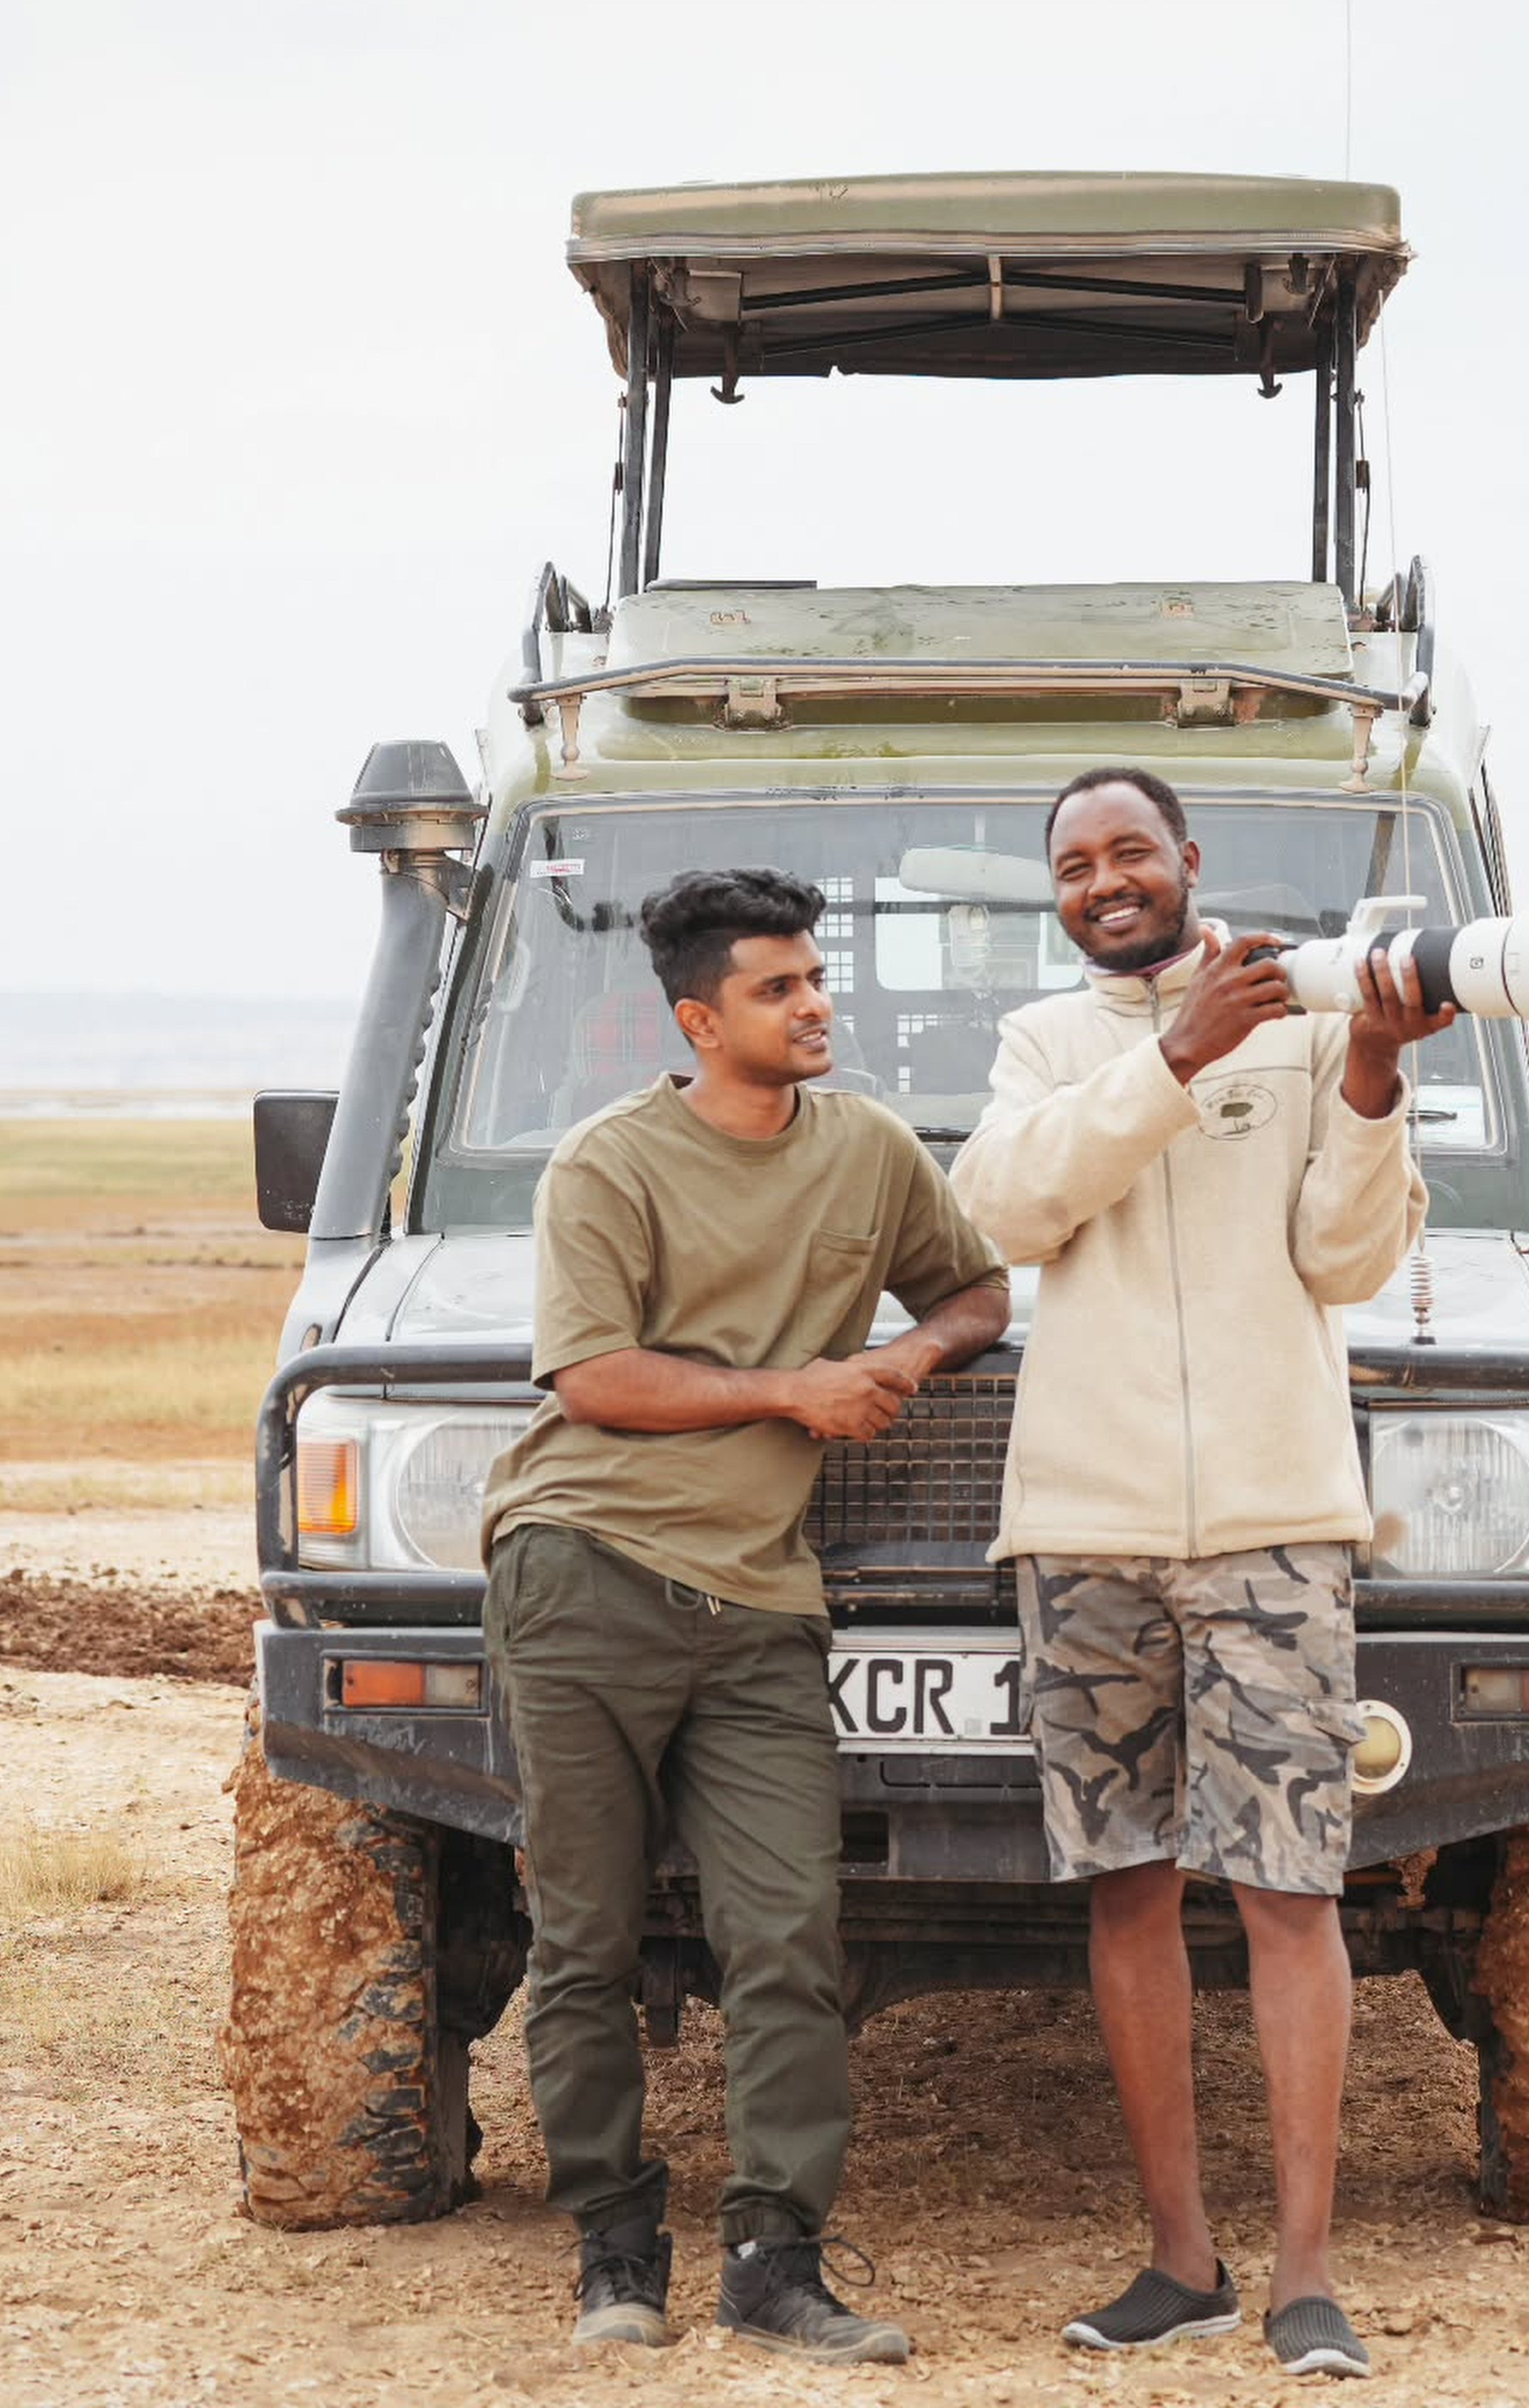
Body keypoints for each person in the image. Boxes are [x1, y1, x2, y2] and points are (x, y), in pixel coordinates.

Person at [950, 767, 1451, 2382]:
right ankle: (1183, 2259)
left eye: (1133, 852)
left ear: (1190, 863)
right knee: (1128, 1887)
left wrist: (1368, 1078)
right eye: (1076, 862)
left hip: (1274, 1517)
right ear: (1059, 889)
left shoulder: (1306, 1018)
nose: (1106, 881)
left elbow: (1345, 1262)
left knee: (1294, 1890)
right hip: (1083, 1522)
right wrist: (1173, 1061)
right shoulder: (1044, 1045)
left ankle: (1306, 2275)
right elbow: (1011, 1205)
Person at [478, 865, 1011, 2364]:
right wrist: (794, 1387)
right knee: (581, 1935)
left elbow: (974, 1288)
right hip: (584, 1565)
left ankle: (776, 2260)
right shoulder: (608, 1163)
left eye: (815, 977)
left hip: (763, 1595)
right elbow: (591, 1376)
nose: (816, 1004)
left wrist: (901, 1360)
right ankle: (614, 2251)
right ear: (701, 1018)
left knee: (784, 1930)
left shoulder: (869, 1148)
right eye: (779, 989)